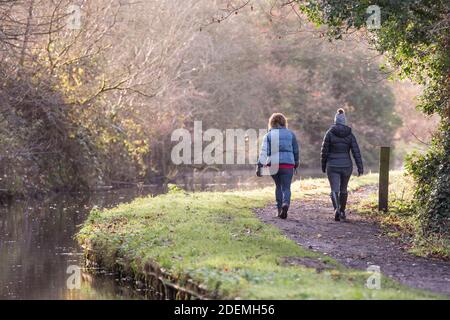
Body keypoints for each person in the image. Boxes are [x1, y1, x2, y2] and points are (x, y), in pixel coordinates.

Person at [321, 108, 363, 221]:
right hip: (346, 166)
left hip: (332, 165)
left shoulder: (329, 133)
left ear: (335, 121)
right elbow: (356, 151)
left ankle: (336, 210)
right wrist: (360, 167)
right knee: (343, 189)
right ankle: (342, 211)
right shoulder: (350, 134)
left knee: (334, 189)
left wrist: (323, 165)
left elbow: (324, 151)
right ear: (344, 121)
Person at [257, 113, 299, 219]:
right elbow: (296, 150)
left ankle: (279, 209)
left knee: (278, 186)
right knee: (286, 187)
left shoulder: (268, 135)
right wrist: (296, 163)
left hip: (274, 165)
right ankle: (286, 204)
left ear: (272, 123)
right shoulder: (290, 134)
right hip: (288, 164)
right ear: (284, 122)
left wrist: (259, 165)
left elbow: (264, 151)